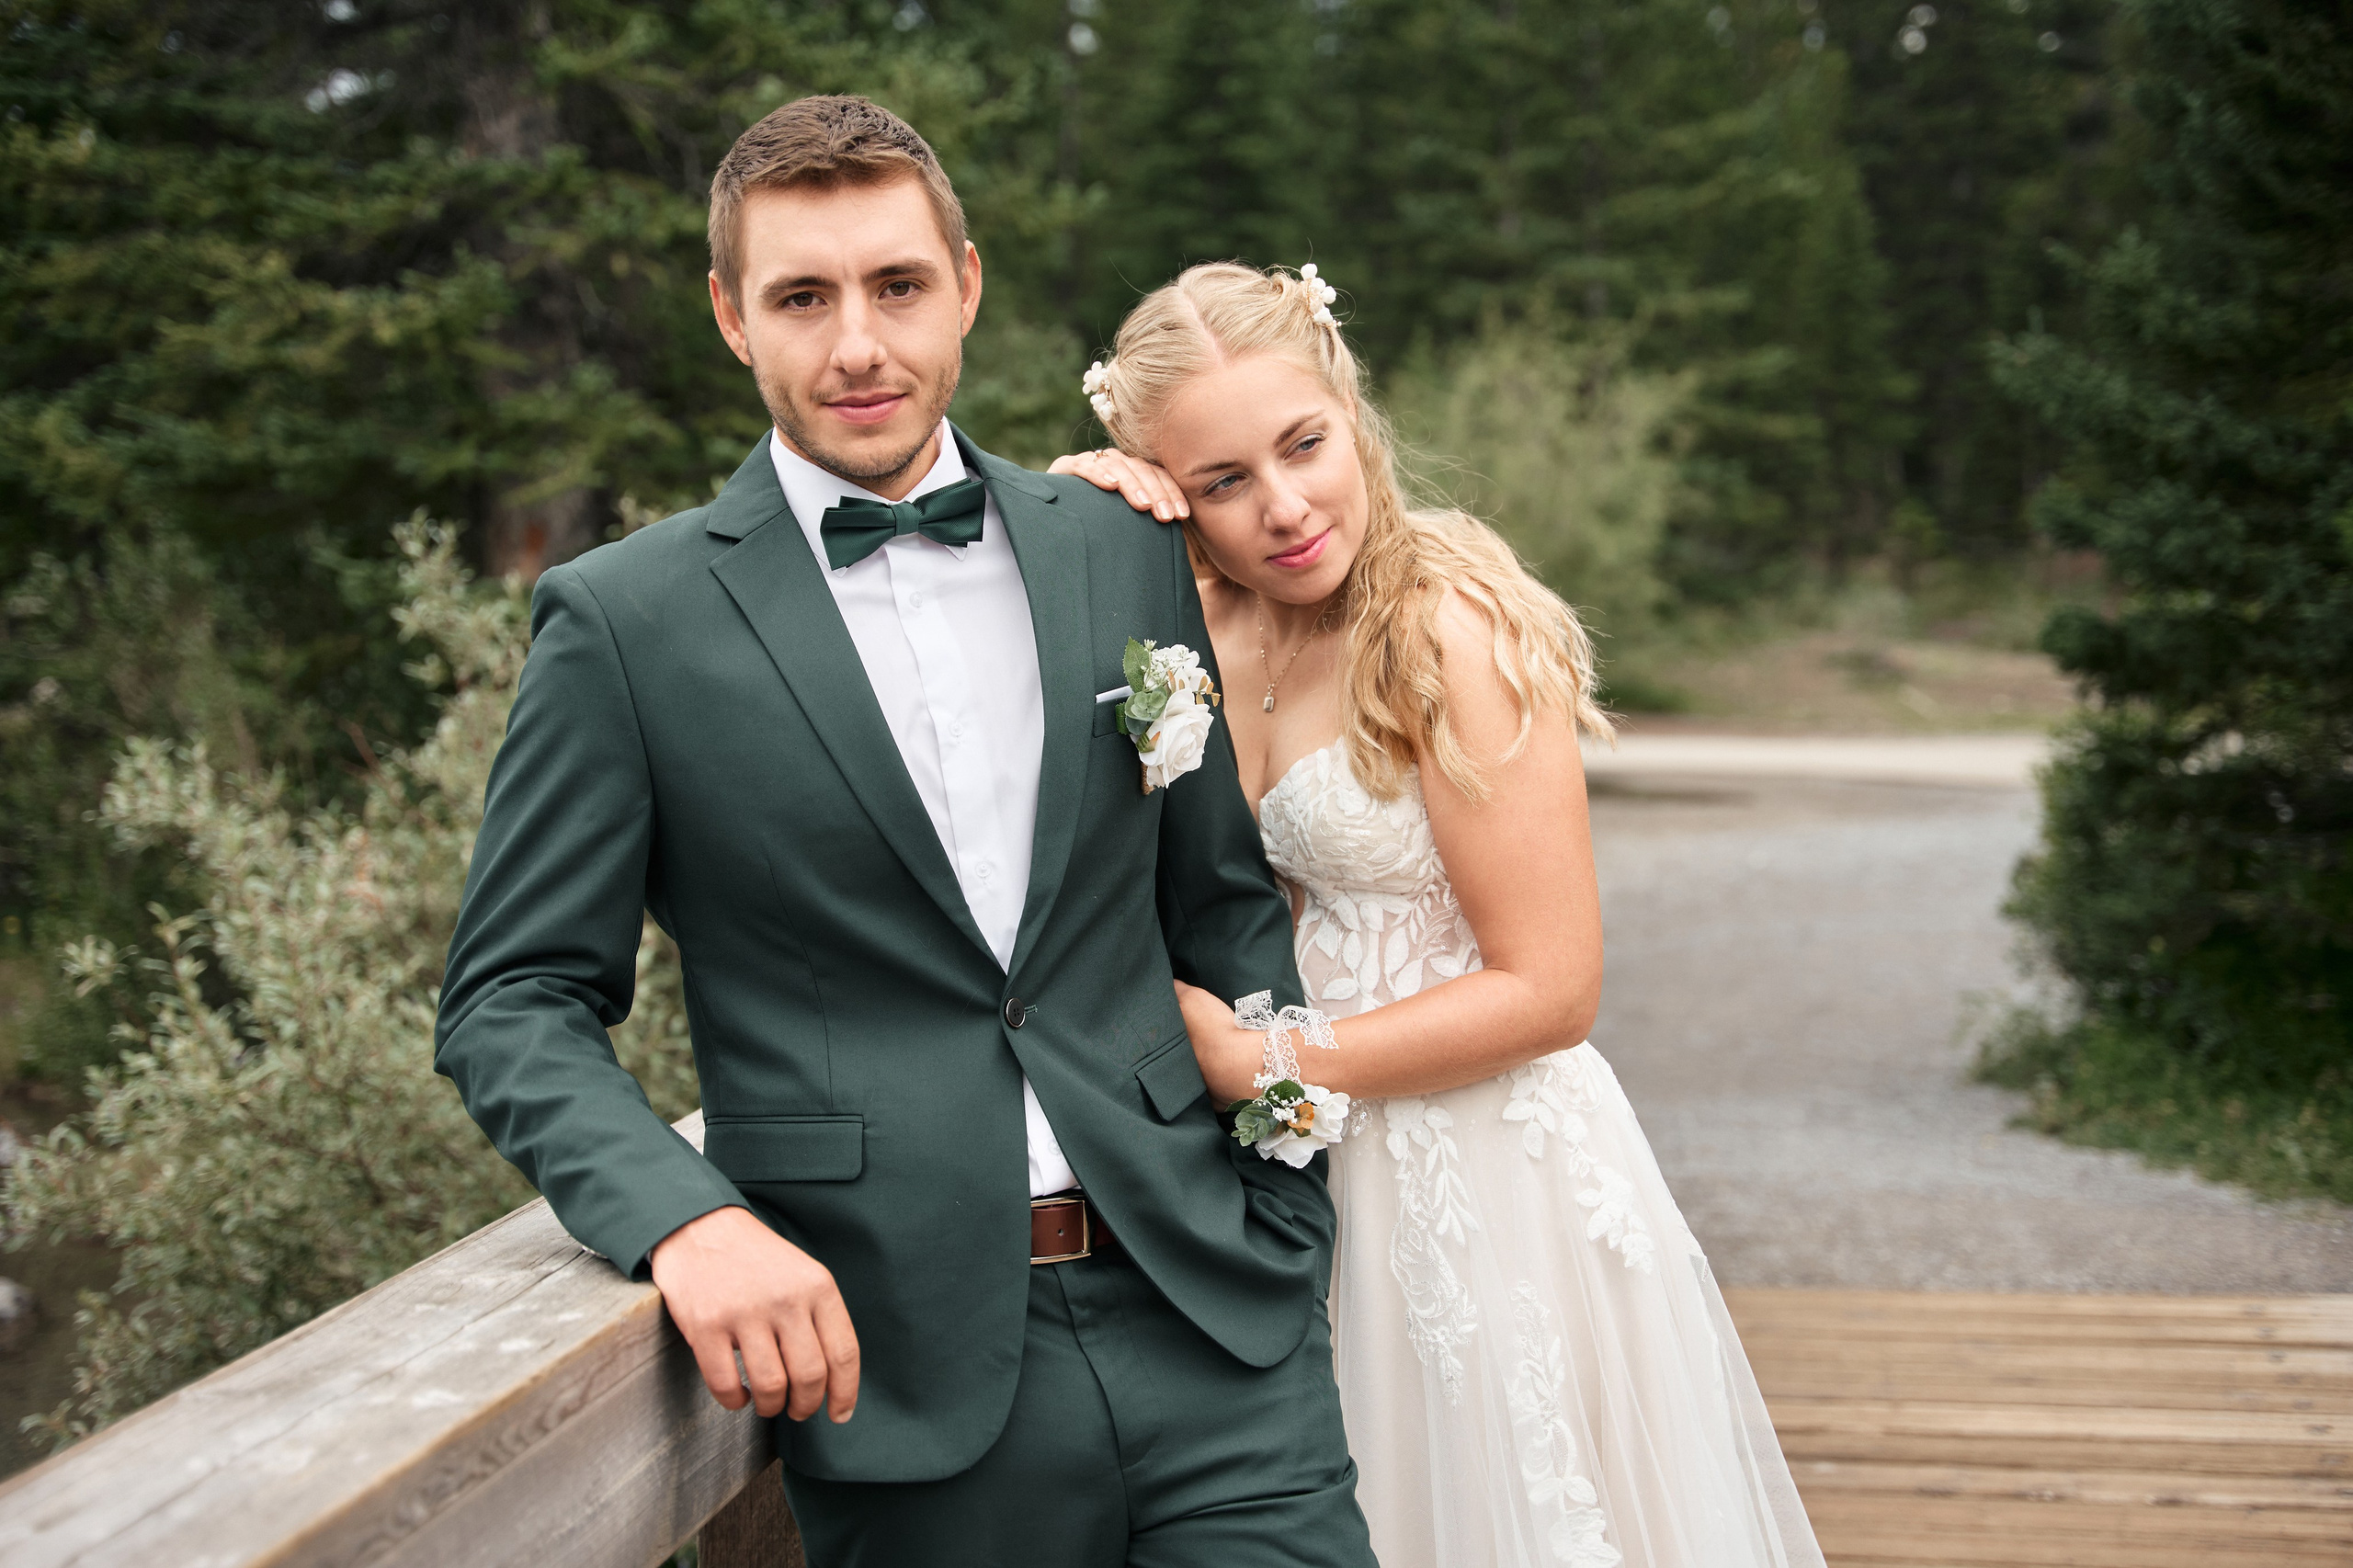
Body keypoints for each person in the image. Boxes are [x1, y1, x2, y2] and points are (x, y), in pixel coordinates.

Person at [434, 100, 1376, 1568]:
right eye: (802, 296)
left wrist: (1279, 1207)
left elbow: (1226, 910)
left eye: (897, 286)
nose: (858, 344)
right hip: (901, 1379)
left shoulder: (1117, 545)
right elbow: (512, 1003)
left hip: (1220, 1334)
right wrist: (685, 1223)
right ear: (732, 319)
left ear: (968, 287)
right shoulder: (627, 623)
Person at [1053, 262, 1828, 1568]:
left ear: (1351, 405)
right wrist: (1071, 526)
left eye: (1304, 445)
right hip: (1307, 1183)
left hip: (1480, 1169)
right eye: (1224, 481)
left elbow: (1553, 986)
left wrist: (1276, 1062)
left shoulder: (1443, 626)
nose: (1286, 508)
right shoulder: (1205, 631)